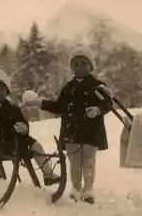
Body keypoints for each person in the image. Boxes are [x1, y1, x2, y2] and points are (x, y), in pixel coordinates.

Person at [23, 46, 111, 204]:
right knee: (75, 162)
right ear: (72, 68)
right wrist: (40, 103)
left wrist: (98, 110)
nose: (80, 67)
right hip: (72, 131)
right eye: (76, 64)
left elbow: (108, 104)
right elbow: (58, 107)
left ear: (91, 66)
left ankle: (89, 190)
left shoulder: (98, 86)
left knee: (89, 161)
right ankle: (76, 189)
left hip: (91, 131)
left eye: (84, 63)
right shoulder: (68, 89)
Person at [0, 66, 60, 205]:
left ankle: (48, 174)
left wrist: (23, 128)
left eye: (1, 89)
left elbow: (22, 121)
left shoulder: (12, 107)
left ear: (7, 90)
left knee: (36, 146)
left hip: (14, 141)